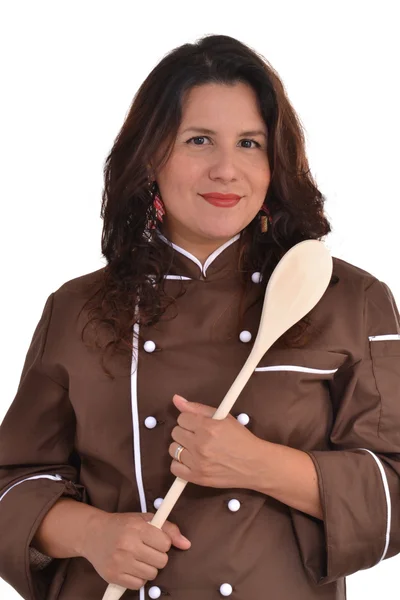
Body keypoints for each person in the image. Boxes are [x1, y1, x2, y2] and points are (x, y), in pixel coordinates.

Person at [1, 33, 399, 600]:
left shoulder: (345, 298)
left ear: (275, 160)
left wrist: (256, 462)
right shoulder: (76, 308)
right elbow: (10, 481)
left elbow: (396, 485)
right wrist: (92, 533)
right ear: (152, 155)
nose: (226, 169)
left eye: (249, 143)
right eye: (199, 140)